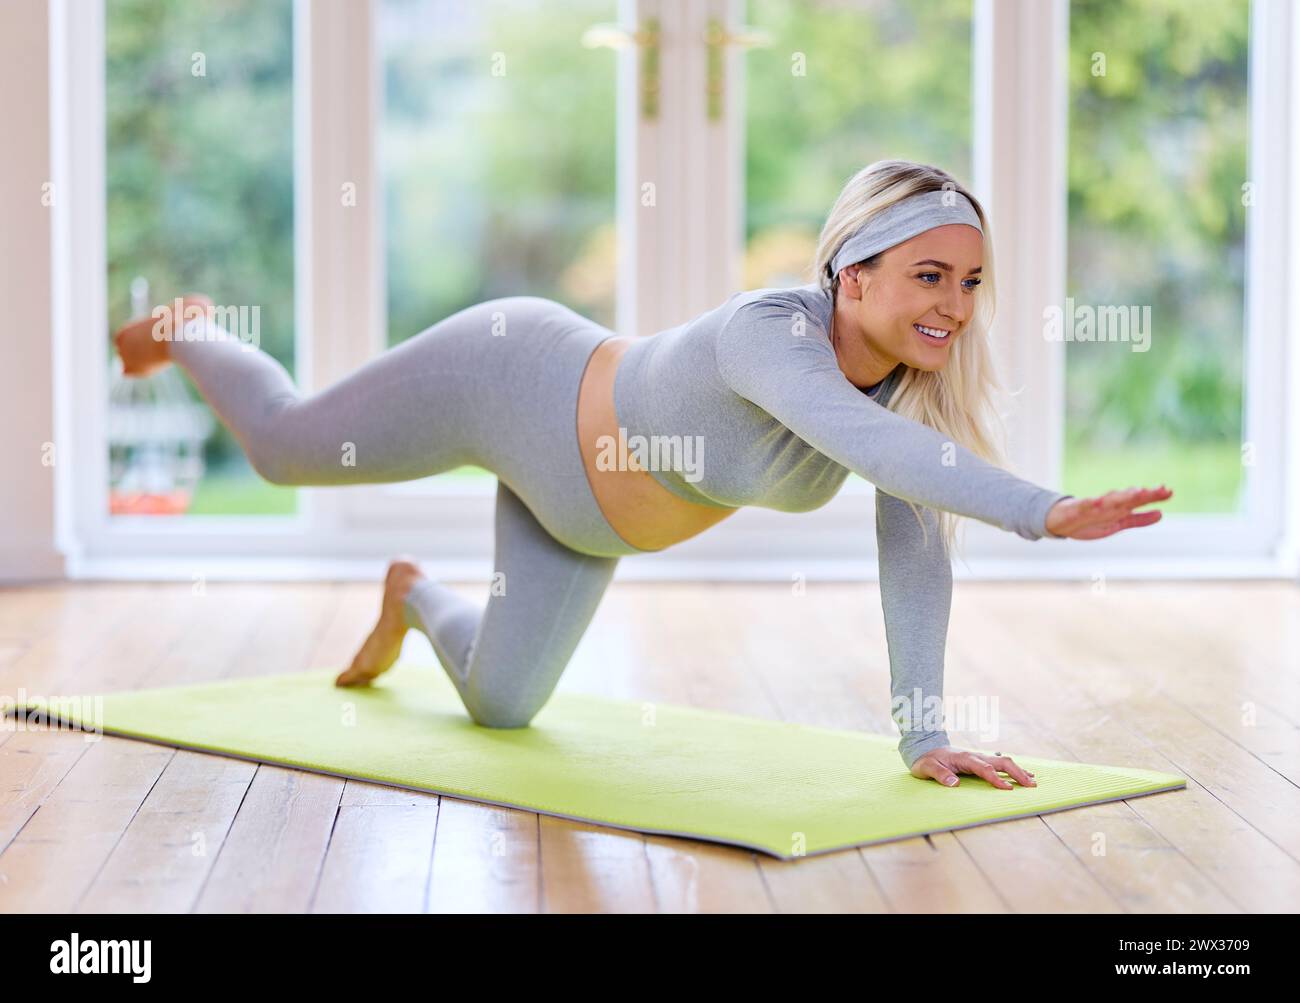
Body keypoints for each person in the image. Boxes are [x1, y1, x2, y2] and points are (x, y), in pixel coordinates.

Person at [112, 158, 1171, 790]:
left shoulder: (908, 392)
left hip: (584, 523)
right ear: (851, 278)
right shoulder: (770, 331)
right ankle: (195, 330)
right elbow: (875, 453)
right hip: (512, 377)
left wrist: (924, 733)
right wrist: (1044, 510)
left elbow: (914, 535)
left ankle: (412, 595)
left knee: (500, 709)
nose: (955, 303)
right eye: (928, 275)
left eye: (972, 281)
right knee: (285, 445)